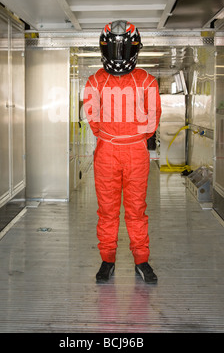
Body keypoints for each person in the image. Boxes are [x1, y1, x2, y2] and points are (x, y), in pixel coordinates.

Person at [83, 20, 161, 284]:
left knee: (137, 209)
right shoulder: (95, 81)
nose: (118, 55)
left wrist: (131, 139)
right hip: (108, 151)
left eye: (123, 49)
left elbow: (153, 120)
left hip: (134, 153)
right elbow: (92, 117)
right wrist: (120, 138)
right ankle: (107, 260)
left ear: (133, 48)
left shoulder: (147, 81)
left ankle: (141, 260)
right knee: (107, 210)